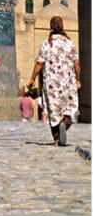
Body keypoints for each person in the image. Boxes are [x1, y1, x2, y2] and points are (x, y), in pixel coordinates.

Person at [28, 15, 81, 146]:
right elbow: (76, 64)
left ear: (51, 26)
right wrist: (78, 80)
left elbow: (39, 63)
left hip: (51, 85)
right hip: (68, 82)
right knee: (70, 107)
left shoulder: (46, 44)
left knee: (53, 111)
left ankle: (57, 137)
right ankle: (66, 122)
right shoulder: (69, 43)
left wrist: (32, 78)